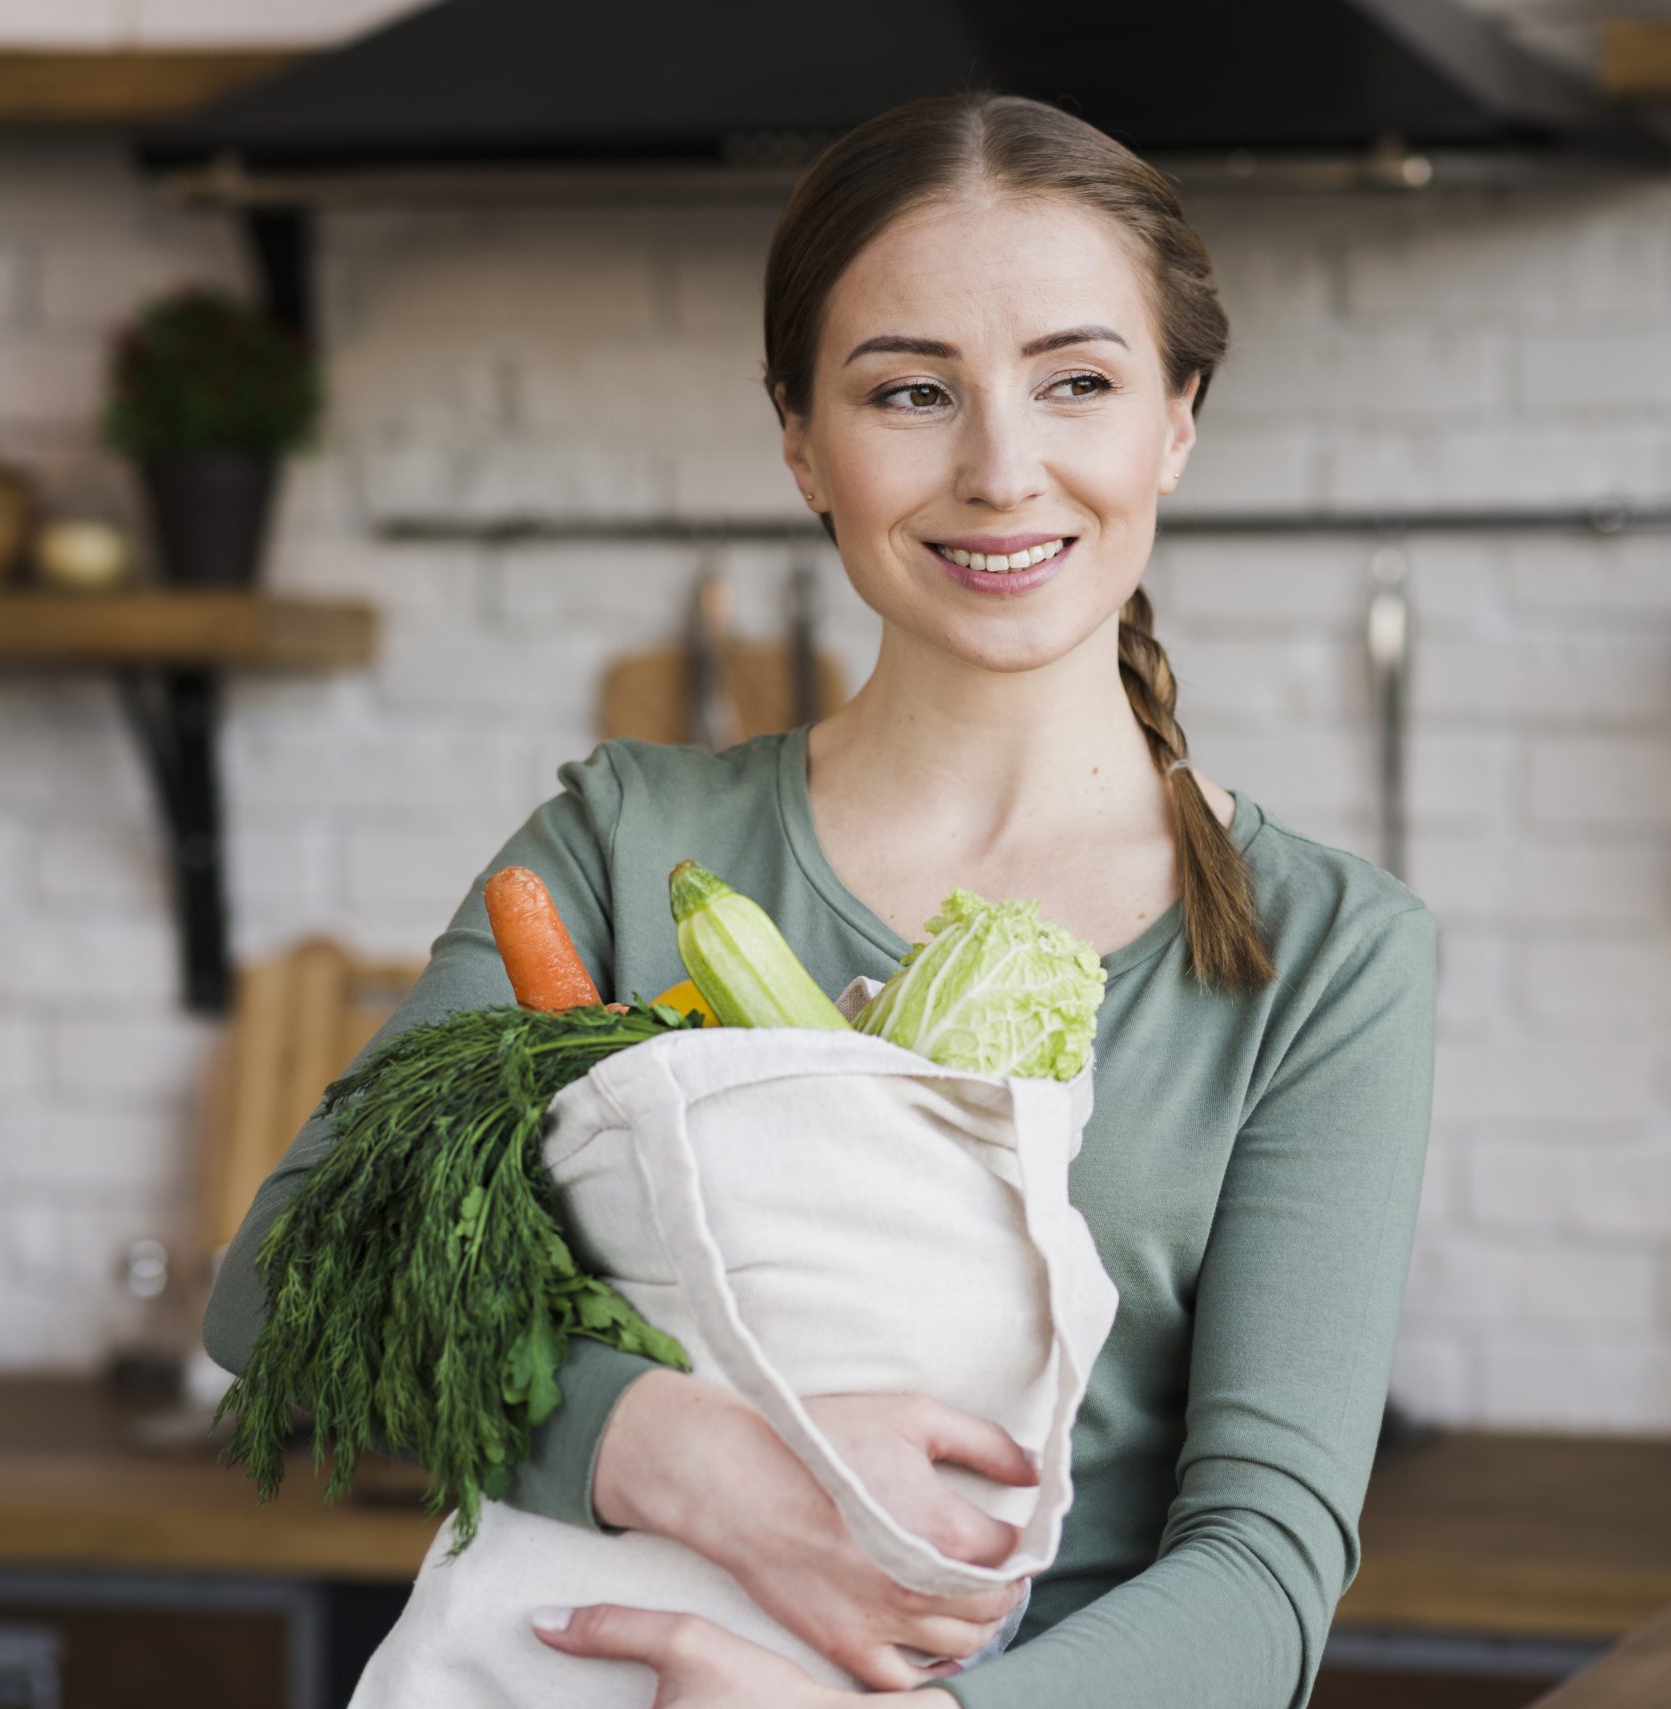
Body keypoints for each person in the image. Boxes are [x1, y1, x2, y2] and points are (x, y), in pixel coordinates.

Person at [204, 88, 1438, 1709]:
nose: (1003, 469)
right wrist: (670, 1453)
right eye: (911, 391)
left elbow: (1266, 1566)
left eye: (1078, 381)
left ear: (1176, 420)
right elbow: (286, 1275)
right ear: (801, 442)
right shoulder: (627, 846)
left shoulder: (1325, 952)